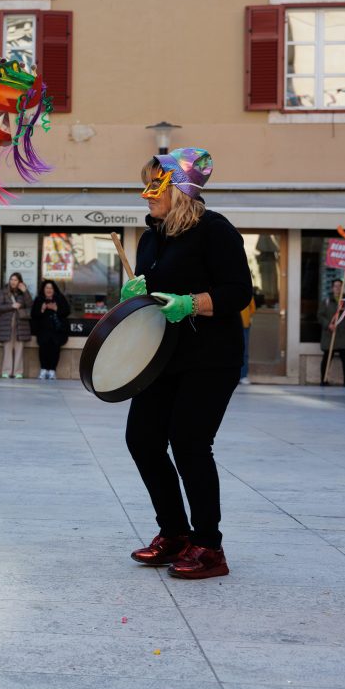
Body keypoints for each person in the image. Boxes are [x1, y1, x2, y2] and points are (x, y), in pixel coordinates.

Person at [123, 148, 251, 580]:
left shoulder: (215, 230)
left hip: (210, 357)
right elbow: (153, 293)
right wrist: (137, 295)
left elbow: (239, 292)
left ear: (179, 189)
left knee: (190, 442)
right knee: (142, 439)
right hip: (162, 356)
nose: (145, 194)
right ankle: (175, 533)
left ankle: (209, 546)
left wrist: (190, 303)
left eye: (154, 185)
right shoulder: (151, 237)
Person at [31, 279, 71, 380]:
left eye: (51, 288)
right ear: (43, 289)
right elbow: (33, 314)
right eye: (47, 288)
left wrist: (56, 309)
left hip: (56, 332)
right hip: (43, 331)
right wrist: (42, 309)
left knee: (55, 350)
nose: (49, 290)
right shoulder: (39, 299)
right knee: (43, 350)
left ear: (54, 290)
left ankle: (52, 371)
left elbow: (67, 312)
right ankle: (43, 370)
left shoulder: (60, 298)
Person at [0, 273, 32, 379]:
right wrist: (12, 306)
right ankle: (6, 371)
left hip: (21, 325)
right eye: (11, 279)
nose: (13, 282)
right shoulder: (4, 292)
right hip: (7, 324)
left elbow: (30, 305)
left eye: (15, 280)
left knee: (19, 349)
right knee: (7, 348)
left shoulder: (23, 293)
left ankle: (18, 372)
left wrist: (25, 291)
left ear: (19, 281)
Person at [318, 279, 345, 387]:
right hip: (330, 335)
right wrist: (328, 325)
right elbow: (320, 316)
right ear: (332, 288)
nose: (338, 288)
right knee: (327, 358)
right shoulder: (326, 301)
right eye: (336, 286)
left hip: (343, 334)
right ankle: (323, 380)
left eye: (340, 286)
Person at [239, 296, 255, 385]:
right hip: (229, 325)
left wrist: (247, 317)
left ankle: (243, 376)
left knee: (244, 352)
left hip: (244, 325)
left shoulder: (246, 292)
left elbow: (252, 308)